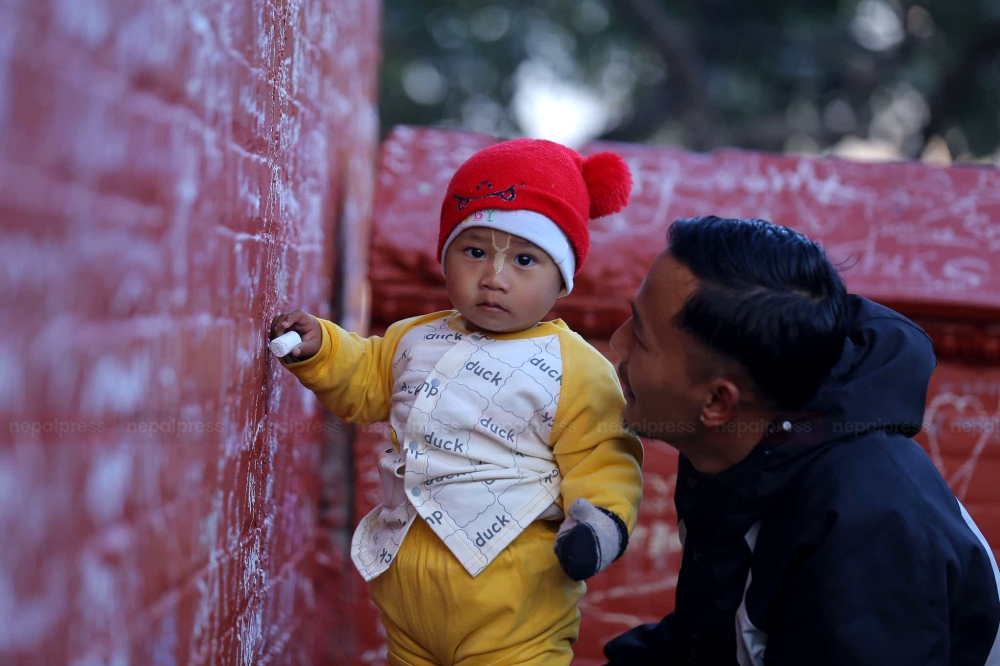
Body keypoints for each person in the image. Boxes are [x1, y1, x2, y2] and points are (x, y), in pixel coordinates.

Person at [271, 138, 644, 666]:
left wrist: (597, 524)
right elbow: (364, 380)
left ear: (561, 279)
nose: (494, 277)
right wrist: (322, 348)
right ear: (444, 257)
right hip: (408, 602)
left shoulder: (575, 368)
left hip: (514, 609)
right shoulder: (411, 340)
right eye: (474, 252)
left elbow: (603, 455)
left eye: (524, 259)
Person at [604, 215, 1000, 665]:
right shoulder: (751, 451)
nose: (618, 343)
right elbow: (715, 638)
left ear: (717, 401)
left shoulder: (868, 529)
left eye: (640, 333)